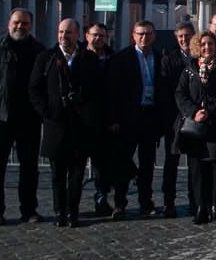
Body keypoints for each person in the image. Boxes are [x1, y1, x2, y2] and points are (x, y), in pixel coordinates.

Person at [0, 8, 46, 226]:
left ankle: (29, 209)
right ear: (8, 23)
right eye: (16, 22)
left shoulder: (38, 50)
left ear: (30, 26)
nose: (20, 26)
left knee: (30, 167)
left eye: (24, 23)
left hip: (29, 117)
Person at [29, 19, 99, 228]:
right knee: (57, 174)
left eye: (68, 33)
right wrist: (47, 112)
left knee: (77, 174)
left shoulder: (89, 59)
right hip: (55, 124)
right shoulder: (46, 58)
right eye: (60, 32)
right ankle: (59, 211)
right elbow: (34, 89)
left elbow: (98, 90)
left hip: (80, 125)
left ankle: (73, 211)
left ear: (78, 35)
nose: (63, 36)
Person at [107, 20, 177, 219]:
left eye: (147, 34)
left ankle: (145, 202)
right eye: (140, 34)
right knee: (123, 162)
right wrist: (113, 119)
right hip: (128, 117)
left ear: (154, 36)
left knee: (148, 164)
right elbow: (113, 92)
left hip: (150, 117)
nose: (144, 37)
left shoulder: (160, 57)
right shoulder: (122, 58)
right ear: (133, 35)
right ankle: (120, 203)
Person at [174, 31, 216, 225]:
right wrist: (194, 112)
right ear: (197, 47)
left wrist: (209, 111)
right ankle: (201, 207)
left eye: (210, 44)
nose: (207, 48)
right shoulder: (189, 69)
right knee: (197, 169)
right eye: (203, 45)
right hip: (195, 127)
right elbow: (180, 94)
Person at [159, 20, 198, 217]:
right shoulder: (168, 57)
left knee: (194, 162)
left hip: (194, 117)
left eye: (187, 36)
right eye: (181, 36)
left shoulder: (200, 56)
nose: (184, 39)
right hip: (174, 117)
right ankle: (168, 201)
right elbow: (166, 90)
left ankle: (195, 200)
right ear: (176, 37)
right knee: (171, 161)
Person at [84, 22, 115, 217]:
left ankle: (101, 197)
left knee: (102, 164)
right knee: (76, 165)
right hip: (81, 119)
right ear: (87, 36)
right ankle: (69, 203)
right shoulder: (78, 57)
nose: (98, 39)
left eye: (102, 36)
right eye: (95, 35)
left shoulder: (112, 58)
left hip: (104, 120)